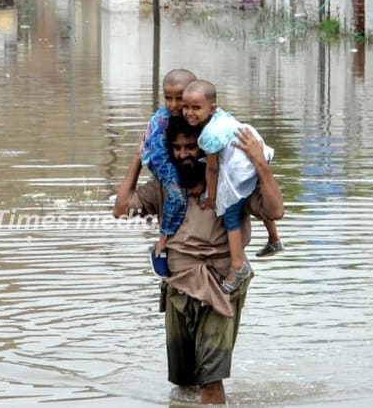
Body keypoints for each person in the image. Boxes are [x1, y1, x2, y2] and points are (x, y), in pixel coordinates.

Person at [113, 116, 284, 405]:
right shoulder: (165, 187)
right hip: (179, 288)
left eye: (190, 147)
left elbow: (275, 210)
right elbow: (121, 209)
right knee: (184, 385)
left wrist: (261, 165)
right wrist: (137, 159)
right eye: (177, 148)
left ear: (204, 149)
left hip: (221, 287)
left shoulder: (230, 183)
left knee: (210, 379)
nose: (183, 154)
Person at [181, 79, 283, 293]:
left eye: (196, 108)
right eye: (186, 107)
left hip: (244, 166)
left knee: (229, 213)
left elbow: (212, 170)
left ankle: (237, 266)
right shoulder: (222, 118)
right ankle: (274, 238)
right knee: (254, 193)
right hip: (253, 152)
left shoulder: (209, 134)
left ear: (212, 108)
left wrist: (212, 198)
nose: (189, 112)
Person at [140, 69, 197, 277]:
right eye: (168, 98)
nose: (173, 105)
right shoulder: (163, 120)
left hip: (172, 158)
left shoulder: (190, 114)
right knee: (177, 197)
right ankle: (162, 241)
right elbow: (155, 154)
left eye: (178, 99)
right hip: (160, 162)